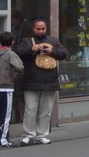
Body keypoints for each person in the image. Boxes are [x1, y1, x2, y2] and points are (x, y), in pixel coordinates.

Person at [15, 17, 68, 146]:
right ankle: (28, 135)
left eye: (43, 28)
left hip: (49, 81)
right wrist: (31, 49)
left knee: (46, 110)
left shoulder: (53, 41)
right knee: (30, 109)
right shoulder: (27, 41)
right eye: (38, 29)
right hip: (31, 81)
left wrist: (52, 51)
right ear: (33, 29)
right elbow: (18, 52)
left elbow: (64, 53)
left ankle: (42, 135)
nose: (40, 31)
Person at [0, 31, 23, 147]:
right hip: (7, 88)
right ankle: (2, 140)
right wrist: (15, 76)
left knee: (0, 114)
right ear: (12, 42)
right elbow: (20, 66)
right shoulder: (10, 54)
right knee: (6, 115)